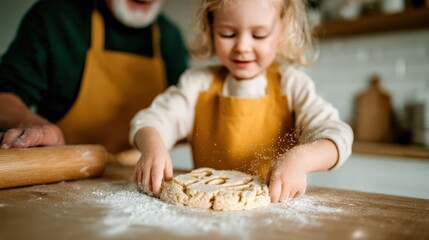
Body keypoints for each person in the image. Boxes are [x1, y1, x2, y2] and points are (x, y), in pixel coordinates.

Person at [130, 0, 353, 203]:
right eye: (228, 34)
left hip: (275, 218)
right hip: (204, 216)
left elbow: (337, 135)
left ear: (281, 32)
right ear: (211, 28)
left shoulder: (292, 86)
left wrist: (300, 159)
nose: (242, 47)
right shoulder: (197, 84)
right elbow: (150, 120)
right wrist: (153, 147)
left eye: (259, 35)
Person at [0, 0, 188, 155]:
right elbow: (5, 97)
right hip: (64, 174)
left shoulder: (170, 37)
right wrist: (37, 126)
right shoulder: (56, 18)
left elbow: (183, 120)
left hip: (134, 180)